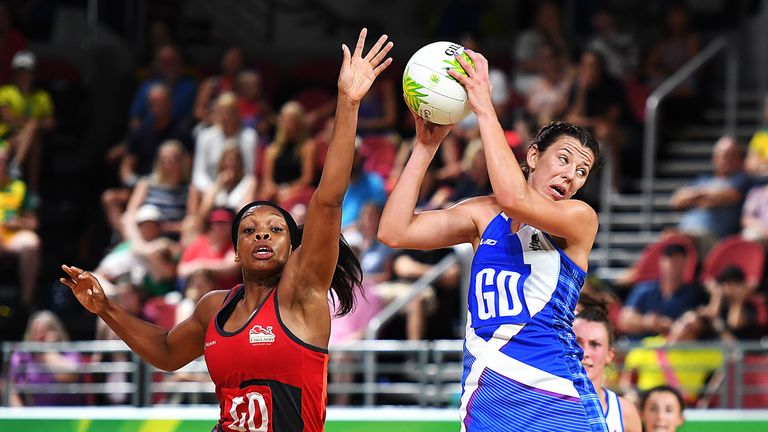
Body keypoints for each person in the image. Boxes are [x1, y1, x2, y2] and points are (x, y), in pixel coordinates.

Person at [61, 28, 392, 431]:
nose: (262, 235)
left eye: (275, 229)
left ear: (293, 248)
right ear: (235, 250)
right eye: (249, 230)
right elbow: (166, 352)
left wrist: (348, 103)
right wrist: (107, 309)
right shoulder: (214, 307)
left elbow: (328, 200)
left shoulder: (301, 293)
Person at [378, 47, 608, 431]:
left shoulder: (578, 218)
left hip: (557, 400)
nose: (571, 175)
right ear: (533, 157)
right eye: (564, 159)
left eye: (582, 171)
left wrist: (484, 106)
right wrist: (425, 147)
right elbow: (393, 231)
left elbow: (515, 198)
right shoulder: (482, 215)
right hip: (486, 403)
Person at [574, 297, 642, 432]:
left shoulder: (625, 413)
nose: (584, 352)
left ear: (610, 354)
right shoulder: (545, 402)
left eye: (595, 344)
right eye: (577, 342)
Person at [618, 243, 703, 340]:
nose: (673, 266)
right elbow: (624, 320)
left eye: (678, 261)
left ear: (685, 264)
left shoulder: (693, 294)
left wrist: (670, 325)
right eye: (670, 260)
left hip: (674, 347)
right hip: (638, 346)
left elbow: (699, 323)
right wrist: (647, 322)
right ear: (661, 262)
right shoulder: (644, 289)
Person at [9, 310, 85, 406]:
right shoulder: (22, 356)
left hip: (68, 411)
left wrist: (48, 351)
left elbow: (70, 376)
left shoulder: (69, 352)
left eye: (45, 332)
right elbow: (11, 388)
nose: (40, 336)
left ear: (57, 332)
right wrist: (20, 413)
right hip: (35, 413)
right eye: (36, 332)